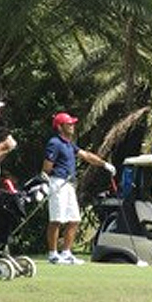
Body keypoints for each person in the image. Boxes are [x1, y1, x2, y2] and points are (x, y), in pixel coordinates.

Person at [43, 112, 116, 265]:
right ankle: (53, 254)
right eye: (69, 124)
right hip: (58, 183)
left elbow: (87, 155)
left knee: (74, 219)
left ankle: (66, 253)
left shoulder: (69, 144)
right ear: (60, 127)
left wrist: (104, 164)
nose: (73, 126)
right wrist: (48, 182)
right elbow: (47, 168)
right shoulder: (54, 143)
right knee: (56, 219)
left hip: (69, 185)